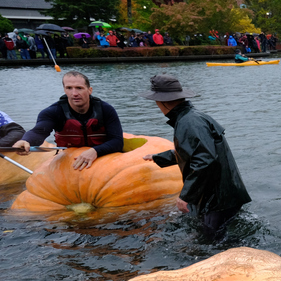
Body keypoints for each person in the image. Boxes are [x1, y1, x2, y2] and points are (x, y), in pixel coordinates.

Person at [140, 74, 250, 239]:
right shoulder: (191, 117)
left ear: (161, 102)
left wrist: (185, 196)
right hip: (226, 195)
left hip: (217, 200)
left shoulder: (188, 123)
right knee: (222, 235)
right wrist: (158, 157)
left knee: (211, 245)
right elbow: (193, 153)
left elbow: (204, 160)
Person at [12, 71, 124, 170]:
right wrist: (26, 140)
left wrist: (95, 151)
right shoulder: (53, 112)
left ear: (89, 90)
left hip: (103, 156)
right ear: (64, 90)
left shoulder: (106, 109)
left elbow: (117, 142)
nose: (74, 93)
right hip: (70, 158)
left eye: (79, 88)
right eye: (69, 88)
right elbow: (39, 131)